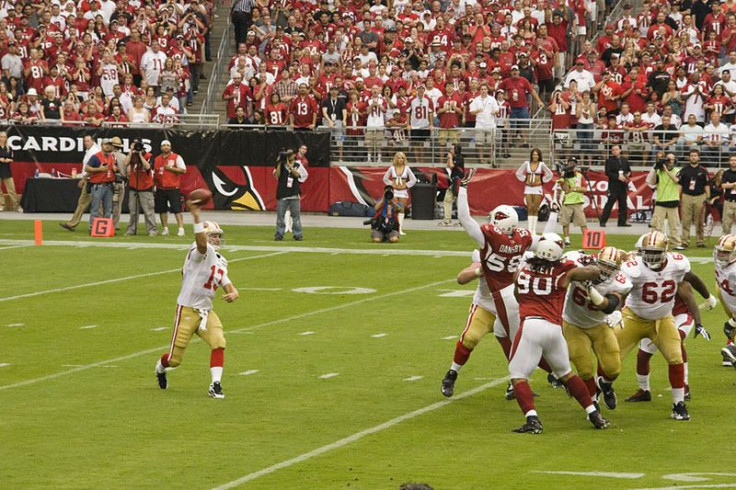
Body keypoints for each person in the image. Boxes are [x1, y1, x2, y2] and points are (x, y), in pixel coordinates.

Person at [509, 233, 610, 434]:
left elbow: (517, 295)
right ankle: (593, 413)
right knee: (566, 373)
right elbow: (593, 272)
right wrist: (583, 259)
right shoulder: (565, 272)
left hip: (531, 325)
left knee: (518, 375)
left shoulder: (521, 271)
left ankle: (532, 419)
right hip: (555, 329)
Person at [441, 192, 536, 401]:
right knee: (470, 338)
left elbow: (541, 246)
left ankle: (520, 381)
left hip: (509, 304)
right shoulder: (482, 251)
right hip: (486, 304)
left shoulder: (521, 248)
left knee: (517, 343)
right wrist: (478, 272)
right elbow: (461, 278)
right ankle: (452, 374)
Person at [154, 203, 239, 398]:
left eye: (218, 235)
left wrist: (233, 293)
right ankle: (160, 367)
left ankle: (215, 384)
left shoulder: (220, 259)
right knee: (175, 360)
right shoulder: (199, 251)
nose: (217, 239)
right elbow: (201, 244)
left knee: (219, 342)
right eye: (213, 235)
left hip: (206, 311)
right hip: (187, 310)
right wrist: (197, 218)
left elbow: (226, 282)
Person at [616, 231, 693, 421]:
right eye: (647, 251)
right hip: (634, 316)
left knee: (676, 357)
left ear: (665, 251)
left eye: (655, 252)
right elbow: (620, 291)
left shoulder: (678, 263)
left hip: (663, 318)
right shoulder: (633, 267)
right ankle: (601, 389)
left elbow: (691, 282)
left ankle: (678, 404)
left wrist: (706, 298)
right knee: (611, 359)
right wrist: (615, 312)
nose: (650, 256)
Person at [626, 275, 715, 402]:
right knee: (642, 356)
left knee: (676, 341)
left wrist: (699, 324)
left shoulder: (676, 277)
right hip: (656, 319)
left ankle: (684, 384)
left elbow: (690, 299)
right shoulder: (643, 276)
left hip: (680, 315)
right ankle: (644, 390)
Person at [561, 247, 630, 410]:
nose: (606, 270)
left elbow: (608, 306)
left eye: (611, 267)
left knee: (613, 369)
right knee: (585, 371)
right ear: (596, 261)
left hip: (600, 325)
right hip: (573, 324)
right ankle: (592, 402)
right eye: (604, 265)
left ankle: (605, 385)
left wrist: (591, 290)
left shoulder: (620, 282)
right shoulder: (577, 262)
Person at [60, 135, 98, 231]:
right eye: (85, 141)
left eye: (88, 141)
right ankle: (72, 223)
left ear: (92, 141)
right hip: (90, 180)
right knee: (85, 203)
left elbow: (92, 169)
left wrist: (84, 179)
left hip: (91, 181)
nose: (86, 143)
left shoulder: (94, 152)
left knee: (89, 204)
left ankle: (101, 225)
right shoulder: (90, 151)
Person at [677, 149, 710, 250]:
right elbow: (679, 185)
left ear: (698, 157)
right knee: (686, 220)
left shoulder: (703, 171)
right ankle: (685, 241)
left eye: (695, 156)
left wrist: (708, 197)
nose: (693, 157)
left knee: (699, 221)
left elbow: (707, 185)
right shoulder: (684, 170)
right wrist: (678, 197)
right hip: (687, 196)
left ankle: (700, 241)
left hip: (700, 196)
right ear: (689, 157)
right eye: (691, 156)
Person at [647, 153, 682, 247]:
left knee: (674, 225)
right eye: (667, 159)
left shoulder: (677, 170)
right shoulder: (659, 171)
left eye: (671, 159)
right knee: (657, 225)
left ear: (675, 161)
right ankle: (655, 242)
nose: (669, 162)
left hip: (673, 200)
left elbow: (676, 180)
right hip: (660, 201)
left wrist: (666, 170)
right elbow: (652, 182)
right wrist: (655, 169)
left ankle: (676, 244)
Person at [515, 148, 553, 235]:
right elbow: (518, 173)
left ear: (539, 156)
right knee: (529, 207)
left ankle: (534, 230)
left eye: (537, 154)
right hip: (528, 187)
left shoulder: (541, 164)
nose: (535, 156)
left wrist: (543, 180)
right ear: (531, 155)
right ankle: (529, 228)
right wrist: (524, 178)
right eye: (534, 154)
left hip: (538, 188)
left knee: (535, 208)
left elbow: (549, 174)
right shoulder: (526, 163)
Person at [153, 140, 187, 237]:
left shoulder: (176, 157)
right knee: (162, 209)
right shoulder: (157, 159)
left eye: (168, 145)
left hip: (173, 187)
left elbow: (183, 170)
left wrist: (171, 169)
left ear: (170, 147)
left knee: (177, 209)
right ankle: (165, 228)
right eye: (164, 145)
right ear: (161, 147)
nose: (166, 147)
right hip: (160, 187)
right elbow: (155, 173)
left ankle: (181, 228)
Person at [274, 148, 308, 241]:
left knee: (296, 216)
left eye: (290, 154)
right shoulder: (280, 165)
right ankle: (279, 233)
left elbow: (298, 175)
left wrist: (290, 167)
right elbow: (276, 175)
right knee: (280, 216)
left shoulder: (298, 164)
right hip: (282, 193)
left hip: (294, 193)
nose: (289, 156)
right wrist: (279, 164)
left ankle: (297, 234)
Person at [125, 139, 157, 236]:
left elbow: (148, 167)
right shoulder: (131, 155)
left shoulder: (149, 156)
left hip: (146, 187)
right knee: (133, 211)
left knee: (148, 211)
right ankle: (131, 229)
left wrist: (139, 155)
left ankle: (152, 230)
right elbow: (125, 163)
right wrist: (131, 152)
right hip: (133, 186)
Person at [84, 138, 117, 230]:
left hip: (109, 185)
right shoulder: (96, 156)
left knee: (108, 209)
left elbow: (114, 168)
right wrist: (99, 169)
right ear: (102, 145)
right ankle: (92, 227)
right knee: (95, 208)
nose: (108, 146)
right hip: (98, 185)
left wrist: (115, 169)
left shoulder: (111, 156)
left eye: (109, 144)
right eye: (106, 144)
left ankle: (106, 227)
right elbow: (87, 168)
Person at [714, 234, 736, 367]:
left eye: (726, 253)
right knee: (731, 327)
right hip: (724, 291)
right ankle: (731, 348)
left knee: (731, 326)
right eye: (720, 251)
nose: (722, 255)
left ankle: (732, 349)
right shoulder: (718, 258)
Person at [382, 152, 416, 236]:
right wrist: (391, 185)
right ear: (395, 159)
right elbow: (385, 179)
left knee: (401, 209)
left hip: (403, 192)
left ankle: (400, 229)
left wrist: (406, 186)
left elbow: (413, 179)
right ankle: (390, 227)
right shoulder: (392, 168)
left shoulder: (407, 168)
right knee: (392, 208)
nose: (400, 160)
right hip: (394, 191)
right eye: (399, 158)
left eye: (402, 158)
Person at [557, 158, 588, 247]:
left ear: (575, 165)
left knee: (583, 223)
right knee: (565, 223)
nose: (571, 165)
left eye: (573, 163)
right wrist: (563, 176)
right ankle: (567, 240)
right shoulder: (565, 176)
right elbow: (565, 189)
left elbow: (585, 189)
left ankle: (587, 240)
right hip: (567, 201)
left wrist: (574, 189)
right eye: (570, 163)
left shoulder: (579, 175)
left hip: (578, 202)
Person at [599, 145, 631, 227]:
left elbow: (628, 170)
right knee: (610, 203)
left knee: (623, 204)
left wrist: (627, 174)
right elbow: (608, 172)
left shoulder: (624, 160)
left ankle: (622, 221)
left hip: (623, 185)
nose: (615, 151)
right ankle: (603, 221)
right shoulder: (609, 161)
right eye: (613, 150)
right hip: (614, 185)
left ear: (620, 150)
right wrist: (617, 177)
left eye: (616, 149)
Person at [439, 144, 465, 227]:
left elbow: (452, 165)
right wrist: (449, 158)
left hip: (458, 181)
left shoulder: (459, 158)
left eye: (452, 149)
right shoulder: (454, 158)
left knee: (459, 201)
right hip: (454, 181)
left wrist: (450, 158)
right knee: (448, 199)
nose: (450, 150)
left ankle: (460, 221)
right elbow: (448, 166)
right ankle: (447, 220)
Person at [0, 131, 21, 212]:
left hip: (6, 170)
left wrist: (9, 160)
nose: (3, 138)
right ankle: (1, 204)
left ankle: (16, 206)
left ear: (6, 138)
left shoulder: (9, 148)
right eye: (1, 137)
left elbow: (12, 158)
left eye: (4, 137)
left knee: (11, 189)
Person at [720, 155, 736, 235]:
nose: (734, 162)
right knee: (726, 225)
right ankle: (725, 243)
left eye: (735, 160)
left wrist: (729, 184)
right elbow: (723, 185)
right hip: (728, 202)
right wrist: (734, 184)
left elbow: (726, 185)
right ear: (729, 162)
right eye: (732, 160)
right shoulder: (726, 173)